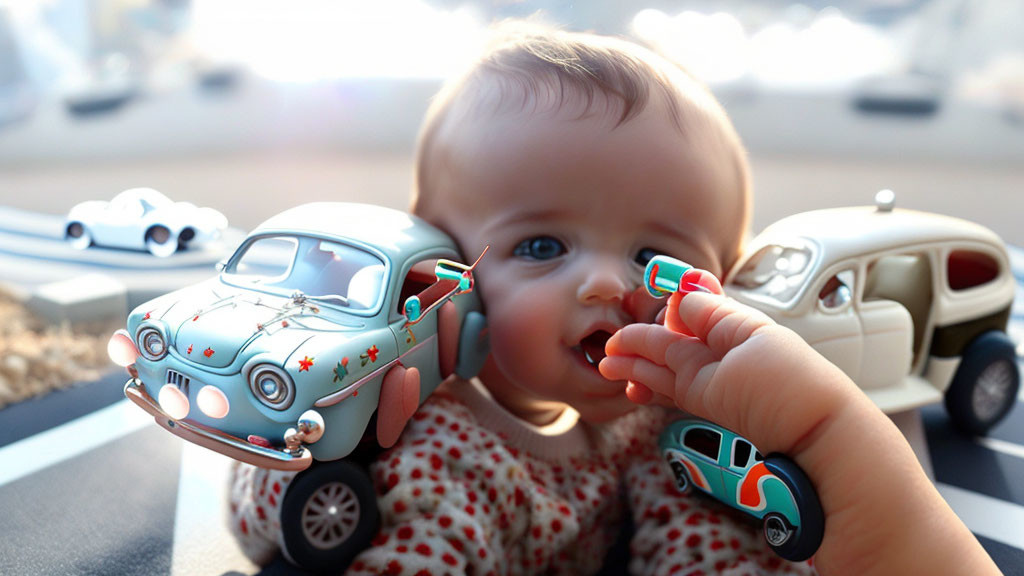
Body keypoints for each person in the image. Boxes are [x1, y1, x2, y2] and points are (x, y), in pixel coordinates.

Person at [228, 23, 1000, 575]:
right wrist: (315, 453)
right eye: (541, 247)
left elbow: (705, 543)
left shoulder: (662, 430)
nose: (607, 282)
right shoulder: (429, 441)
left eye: (656, 257)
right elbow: (268, 506)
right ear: (444, 266)